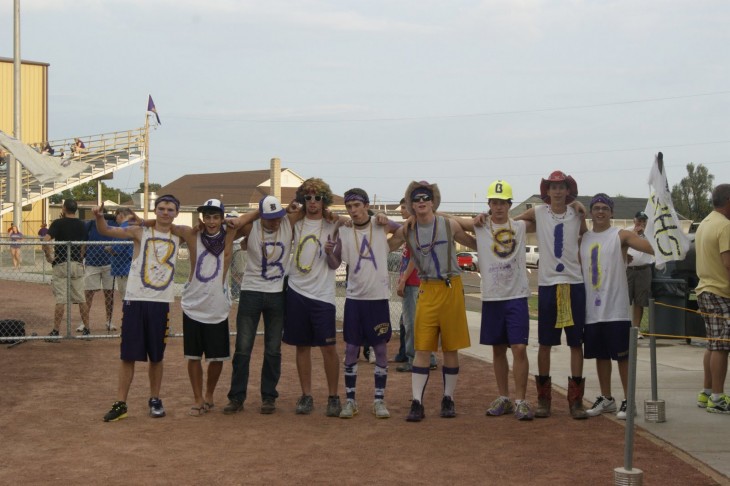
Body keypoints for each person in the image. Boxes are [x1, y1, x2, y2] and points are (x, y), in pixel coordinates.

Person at [388, 180, 476, 422]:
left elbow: (474, 242)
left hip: (451, 287)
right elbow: (385, 246)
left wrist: (500, 247)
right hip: (427, 289)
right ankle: (416, 401)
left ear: (433, 201)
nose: (421, 202)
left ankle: (448, 398)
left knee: (450, 347)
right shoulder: (408, 230)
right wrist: (377, 224)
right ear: (411, 204)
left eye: (425, 198)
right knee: (422, 347)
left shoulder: (448, 224)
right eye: (416, 199)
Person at [95, 195, 182, 422]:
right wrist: (98, 216)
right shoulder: (139, 232)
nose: (165, 212)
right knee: (128, 356)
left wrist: (145, 220)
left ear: (176, 213)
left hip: (160, 302)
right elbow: (106, 231)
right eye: (161, 208)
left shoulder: (180, 234)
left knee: (156, 356)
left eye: (170, 209)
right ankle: (121, 403)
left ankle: (155, 399)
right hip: (135, 300)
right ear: (155, 210)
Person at [457, 180, 534, 420]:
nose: (498, 207)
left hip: (517, 295)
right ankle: (504, 397)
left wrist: (519, 213)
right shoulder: (481, 227)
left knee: (519, 348)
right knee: (498, 349)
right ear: (488, 204)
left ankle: (521, 399)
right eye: (494, 203)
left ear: (509, 204)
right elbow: (451, 222)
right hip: (492, 297)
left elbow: (540, 211)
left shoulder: (520, 226)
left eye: (502, 203)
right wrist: (476, 218)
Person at [516, 170, 589, 419]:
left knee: (576, 343)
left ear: (568, 190)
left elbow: (585, 235)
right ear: (546, 191)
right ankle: (544, 399)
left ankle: (576, 401)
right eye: (553, 187)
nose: (557, 191)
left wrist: (580, 208)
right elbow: (516, 222)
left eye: (561, 187)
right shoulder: (538, 212)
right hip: (548, 284)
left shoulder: (576, 213)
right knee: (545, 343)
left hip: (573, 283)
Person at [580, 194, 654, 420]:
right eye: (596, 208)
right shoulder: (583, 238)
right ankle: (606, 398)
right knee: (600, 356)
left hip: (616, 309)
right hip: (592, 311)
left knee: (622, 357)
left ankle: (628, 400)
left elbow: (649, 247)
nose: (600, 212)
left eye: (605, 208)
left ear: (611, 213)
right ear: (591, 212)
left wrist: (662, 235)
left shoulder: (620, 235)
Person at [331, 188, 402, 419]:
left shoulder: (380, 225)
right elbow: (334, 262)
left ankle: (379, 401)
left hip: (378, 297)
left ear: (366, 205)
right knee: (351, 349)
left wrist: (388, 219)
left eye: (357, 206)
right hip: (354, 298)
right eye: (349, 207)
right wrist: (329, 253)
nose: (353, 211)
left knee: (380, 348)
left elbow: (404, 231)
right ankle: (350, 401)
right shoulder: (344, 229)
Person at [175, 199, 247, 417]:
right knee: (193, 356)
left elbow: (253, 217)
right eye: (208, 217)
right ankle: (197, 398)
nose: (212, 221)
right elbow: (167, 224)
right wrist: (138, 219)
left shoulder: (229, 235)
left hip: (217, 306)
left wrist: (234, 221)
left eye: (216, 217)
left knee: (216, 358)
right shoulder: (192, 235)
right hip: (193, 305)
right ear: (202, 219)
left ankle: (209, 395)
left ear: (222, 218)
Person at [224, 196, 294, 415]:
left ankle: (269, 397)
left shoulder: (288, 223)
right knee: (243, 348)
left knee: (273, 349)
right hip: (251, 292)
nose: (275, 222)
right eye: (270, 218)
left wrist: (283, 211)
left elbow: (314, 211)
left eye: (277, 217)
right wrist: (256, 213)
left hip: (277, 295)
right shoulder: (252, 228)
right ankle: (236, 397)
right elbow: (233, 224)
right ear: (261, 216)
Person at [282, 178, 343, 417]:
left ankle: (333, 396)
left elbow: (335, 262)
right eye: (308, 197)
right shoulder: (295, 224)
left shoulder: (333, 224)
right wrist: (290, 211)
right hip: (296, 290)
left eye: (318, 198)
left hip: (323, 295)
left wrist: (330, 253)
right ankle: (306, 395)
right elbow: (280, 221)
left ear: (324, 200)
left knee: (328, 348)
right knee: (302, 346)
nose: (313, 202)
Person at [695, 184, 730, 414]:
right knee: (722, 345)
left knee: (712, 343)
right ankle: (717, 398)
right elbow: (728, 263)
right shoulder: (725, 226)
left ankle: (707, 392)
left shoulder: (706, 223)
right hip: (720, 291)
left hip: (704, 289)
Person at [395, 198, 438, 373]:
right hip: (412, 281)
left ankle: (416, 358)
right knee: (411, 322)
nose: (401, 210)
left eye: (404, 207)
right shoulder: (410, 227)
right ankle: (427, 357)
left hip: (414, 282)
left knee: (412, 322)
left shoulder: (416, 229)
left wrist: (404, 279)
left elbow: (415, 256)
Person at [42, 200, 90, 341]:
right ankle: (87, 329)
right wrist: (80, 258)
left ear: (64, 208)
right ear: (75, 209)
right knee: (81, 298)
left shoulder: (58, 223)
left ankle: (56, 331)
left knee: (61, 300)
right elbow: (84, 244)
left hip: (61, 263)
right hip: (76, 263)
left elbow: (45, 240)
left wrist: (49, 256)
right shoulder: (82, 225)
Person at [80, 211, 117, 333]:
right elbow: (84, 242)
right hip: (92, 263)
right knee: (88, 294)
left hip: (109, 264)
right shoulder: (90, 224)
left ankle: (109, 320)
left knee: (109, 294)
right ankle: (84, 323)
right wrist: (81, 257)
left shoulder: (113, 223)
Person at [626, 211, 654, 339]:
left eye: (644, 221)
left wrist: (643, 235)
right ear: (634, 220)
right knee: (625, 300)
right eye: (639, 220)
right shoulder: (627, 232)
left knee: (639, 301)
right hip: (628, 270)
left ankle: (636, 329)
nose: (641, 223)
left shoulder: (650, 234)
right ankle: (624, 328)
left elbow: (654, 248)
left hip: (643, 270)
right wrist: (634, 234)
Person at [107, 208, 137, 304]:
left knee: (127, 298)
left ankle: (129, 317)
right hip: (134, 267)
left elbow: (117, 250)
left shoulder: (122, 229)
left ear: (121, 215)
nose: (115, 219)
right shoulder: (135, 226)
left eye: (116, 216)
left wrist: (108, 248)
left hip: (124, 268)